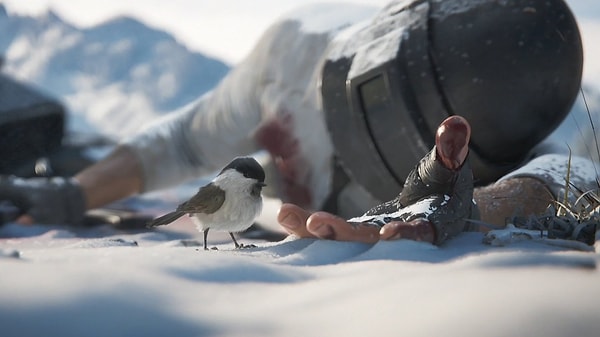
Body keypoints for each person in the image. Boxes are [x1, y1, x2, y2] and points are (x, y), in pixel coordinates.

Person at [1, 0, 597, 245]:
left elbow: (566, 179)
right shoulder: (293, 54)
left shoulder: (503, 156)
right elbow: (183, 140)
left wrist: (464, 211)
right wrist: (73, 195)